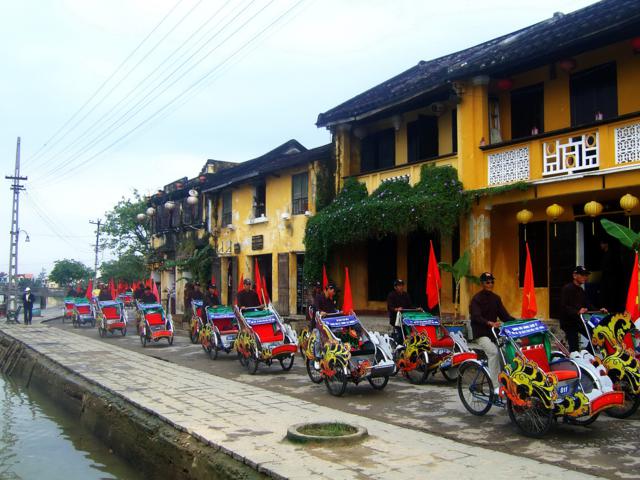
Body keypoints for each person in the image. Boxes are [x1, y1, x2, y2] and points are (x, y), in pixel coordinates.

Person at [470, 272, 514, 386]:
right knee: (493, 352)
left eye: (492, 282)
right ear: (482, 283)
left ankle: (509, 382)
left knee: (508, 352)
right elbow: (476, 317)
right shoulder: (476, 299)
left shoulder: (496, 298)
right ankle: (496, 386)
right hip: (481, 333)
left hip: (494, 333)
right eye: (487, 282)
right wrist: (489, 323)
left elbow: (505, 316)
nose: (490, 284)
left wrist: (518, 322)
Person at [560, 266, 607, 352]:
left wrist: (599, 310)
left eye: (586, 275)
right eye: (582, 275)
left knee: (595, 337)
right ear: (575, 275)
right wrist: (577, 312)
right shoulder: (567, 288)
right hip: (569, 323)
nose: (585, 277)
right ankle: (576, 361)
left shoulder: (581, 290)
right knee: (574, 347)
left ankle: (586, 354)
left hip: (579, 321)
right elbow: (564, 307)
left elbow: (588, 304)